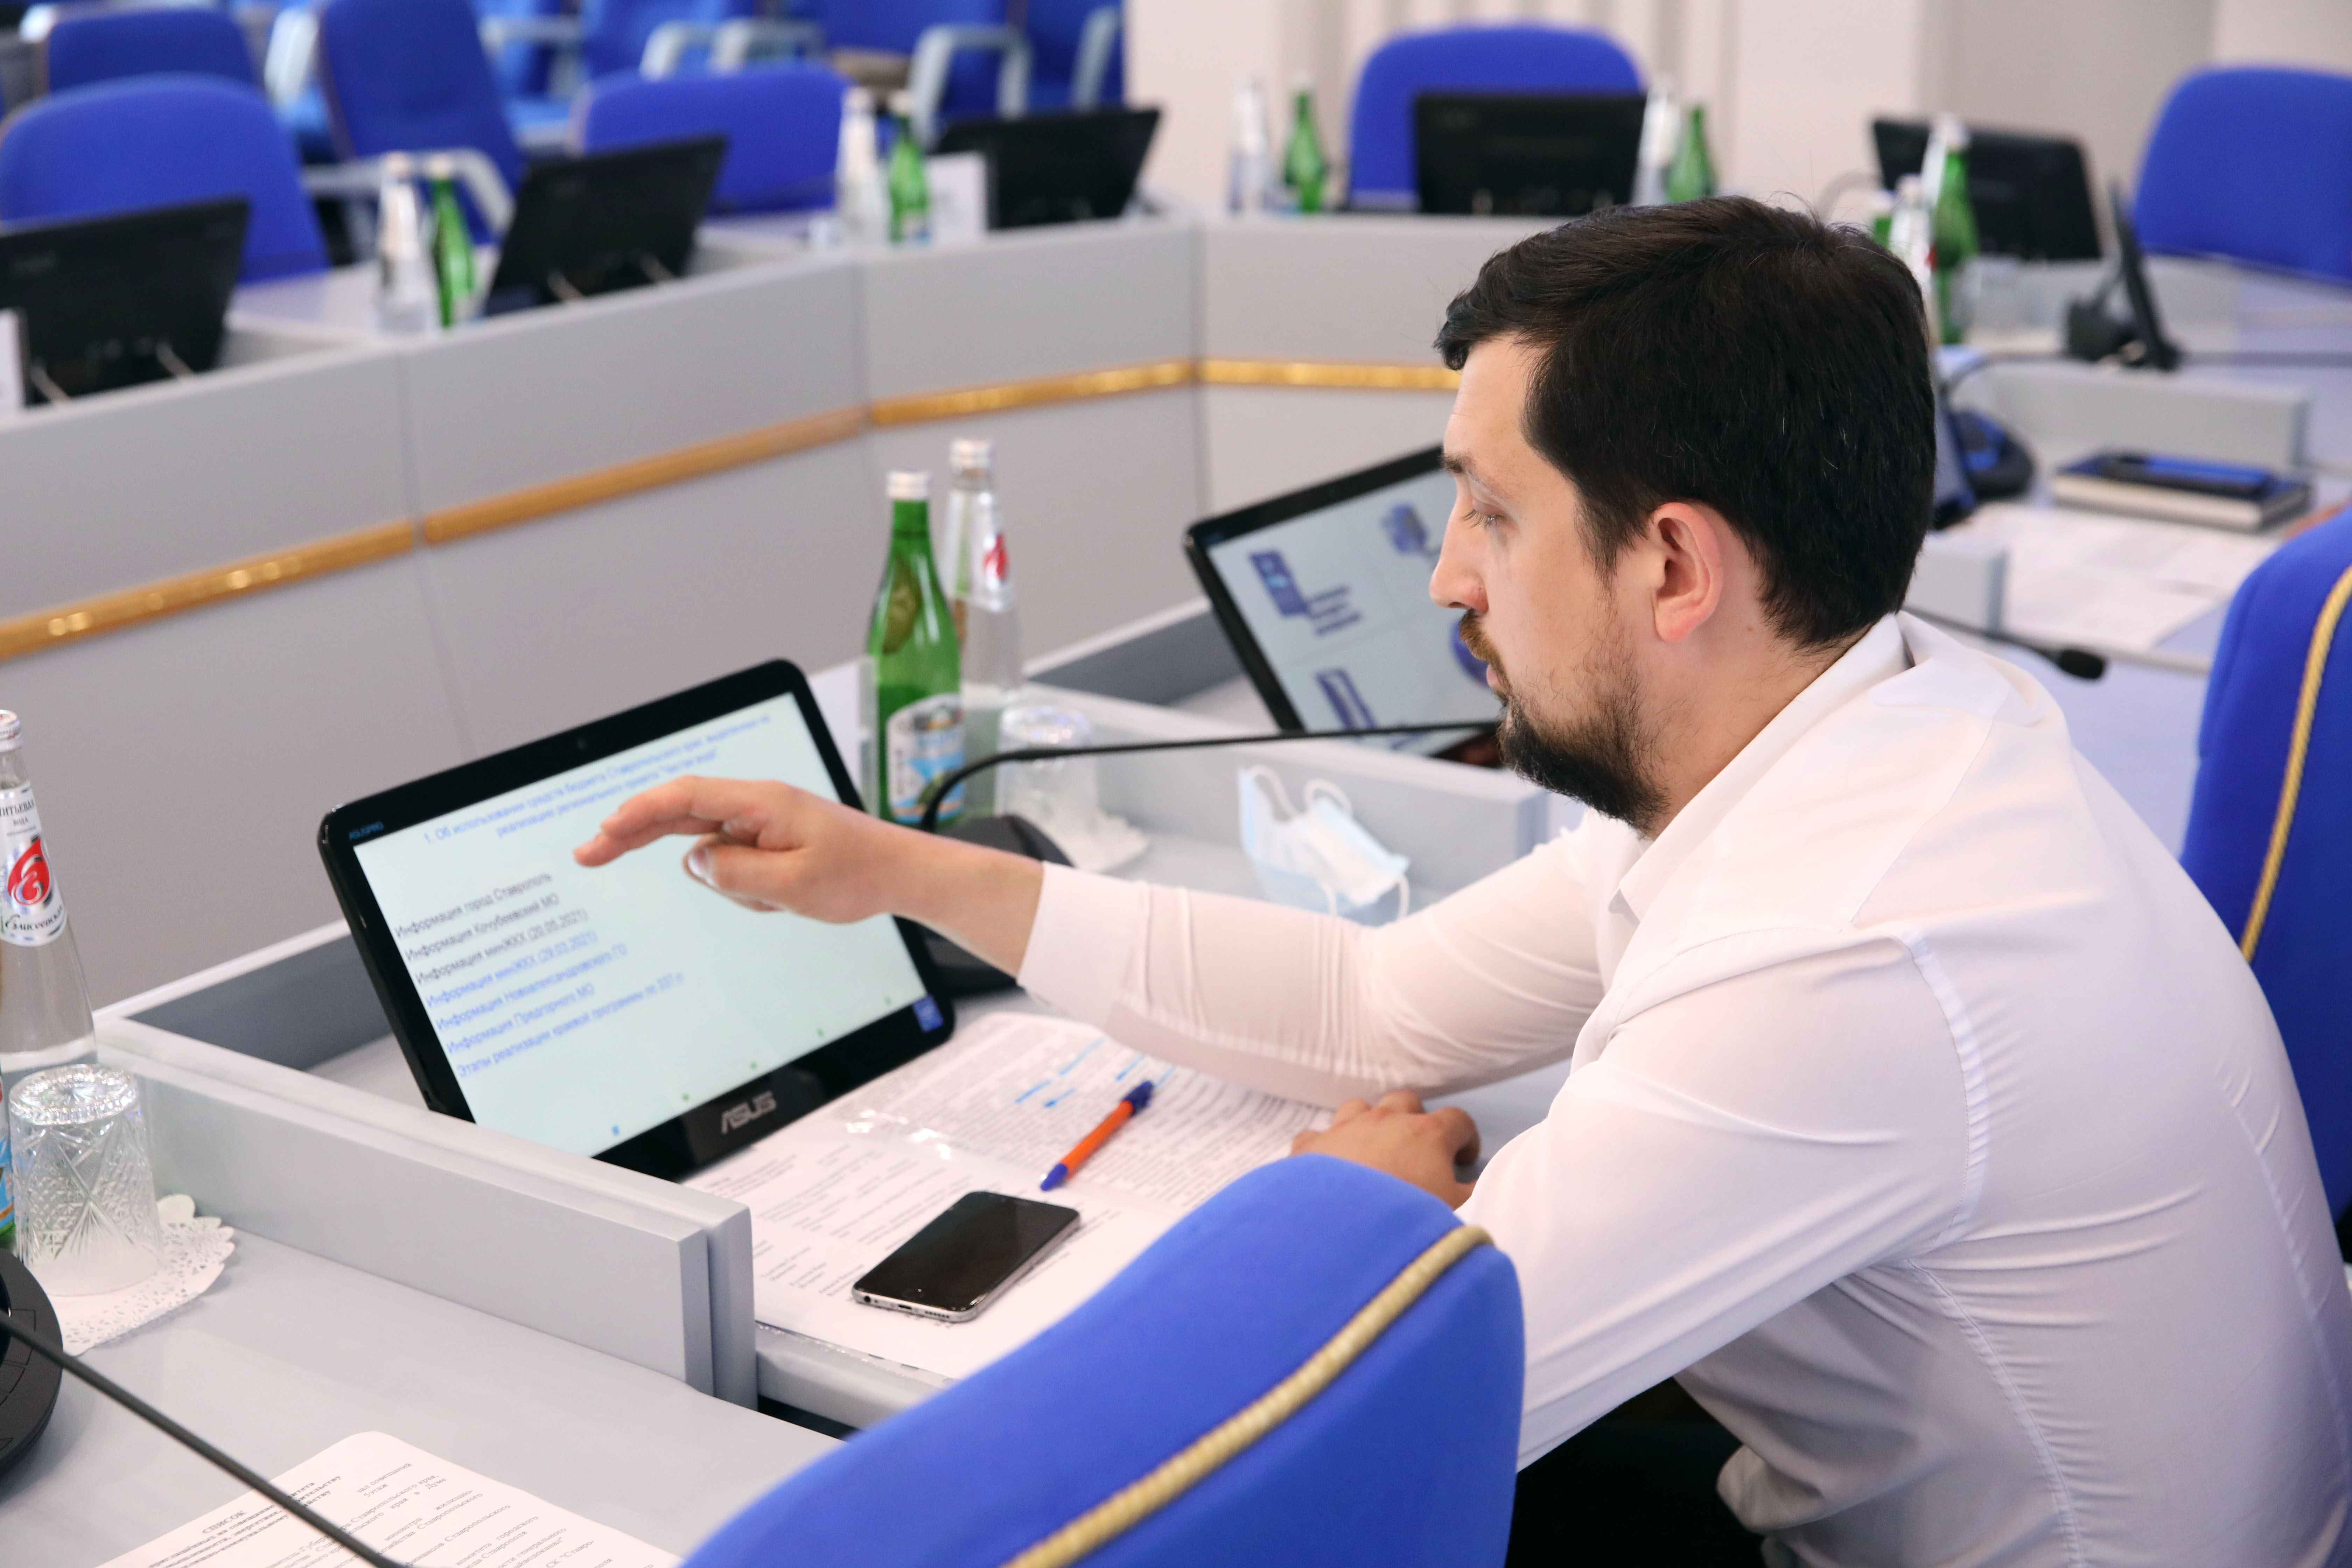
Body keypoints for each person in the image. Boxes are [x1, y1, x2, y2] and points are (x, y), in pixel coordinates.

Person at [576, 199, 2352, 1566]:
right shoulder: (1874, 718)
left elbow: (1333, 1423)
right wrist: (905, 870)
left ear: (1675, 567)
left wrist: (1335, 1216)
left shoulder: (1849, 954)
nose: (1446, 578)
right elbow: (1377, 1004)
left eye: (1490, 511)